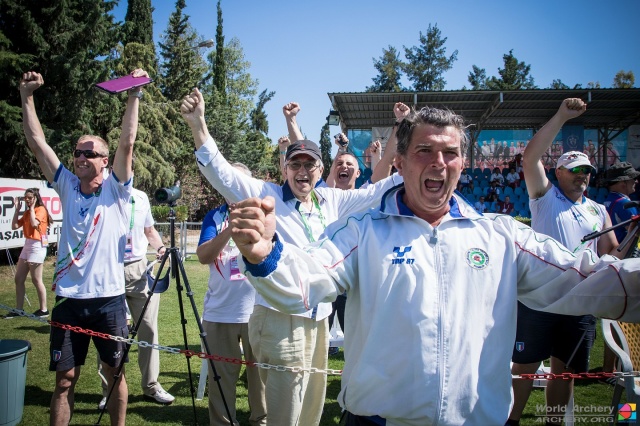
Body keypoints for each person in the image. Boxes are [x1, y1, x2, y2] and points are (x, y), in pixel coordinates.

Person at [228, 105, 640, 425]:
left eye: (450, 153)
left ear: (462, 164)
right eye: (424, 150)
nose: (438, 162)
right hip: (376, 421)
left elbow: (586, 280)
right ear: (402, 163)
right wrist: (265, 255)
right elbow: (305, 281)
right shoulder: (362, 232)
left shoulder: (500, 236)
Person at [180, 88, 402, 426]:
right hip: (279, 318)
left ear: (319, 169)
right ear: (285, 168)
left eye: (309, 164)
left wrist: (424, 159)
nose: (302, 171)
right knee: (284, 414)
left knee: (311, 407)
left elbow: (378, 191)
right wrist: (199, 125)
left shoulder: (331, 201)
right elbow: (222, 173)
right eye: (294, 164)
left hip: (319, 319)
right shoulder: (267, 195)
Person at [20, 69, 147, 426]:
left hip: (108, 300)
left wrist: (134, 94)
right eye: (77, 152)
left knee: (115, 374)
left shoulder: (117, 189)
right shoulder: (65, 185)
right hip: (68, 302)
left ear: (105, 161)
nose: (80, 156)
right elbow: (36, 141)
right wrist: (27, 96)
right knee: (64, 381)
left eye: (89, 153)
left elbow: (127, 142)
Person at [509, 98, 626, 425]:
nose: (582, 175)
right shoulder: (544, 197)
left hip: (581, 301)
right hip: (539, 298)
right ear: (558, 172)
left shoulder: (599, 210)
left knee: (566, 372)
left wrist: (629, 239)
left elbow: (611, 253)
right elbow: (531, 157)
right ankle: (510, 420)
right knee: (524, 368)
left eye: (587, 170)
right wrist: (561, 116)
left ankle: (554, 422)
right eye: (575, 170)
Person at [196, 163, 267, 426]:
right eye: (228, 182)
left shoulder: (266, 216)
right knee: (222, 378)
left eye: (239, 182)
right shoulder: (215, 217)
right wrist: (230, 228)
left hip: (259, 311)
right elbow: (204, 256)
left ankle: (262, 421)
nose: (233, 188)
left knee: (260, 377)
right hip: (220, 312)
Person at [97, 186, 174, 409]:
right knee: (109, 333)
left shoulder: (141, 197)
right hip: (109, 268)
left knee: (148, 329)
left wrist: (160, 247)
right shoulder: (103, 194)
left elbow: (149, 230)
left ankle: (151, 385)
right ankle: (108, 391)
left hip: (139, 269)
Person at [6, 187, 53, 318]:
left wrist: (32, 209)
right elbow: (14, 226)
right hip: (28, 244)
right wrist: (17, 210)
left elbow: (34, 224)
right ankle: (19, 309)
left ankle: (44, 310)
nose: (27, 200)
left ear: (36, 198)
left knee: (36, 279)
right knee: (18, 278)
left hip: (37, 245)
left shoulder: (41, 210)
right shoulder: (27, 212)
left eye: (30, 198)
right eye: (26, 198)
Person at [602, 162, 640, 244]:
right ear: (623, 182)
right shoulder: (625, 204)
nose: (636, 181)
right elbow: (636, 233)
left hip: (610, 252)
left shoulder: (607, 201)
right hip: (625, 253)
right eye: (633, 178)